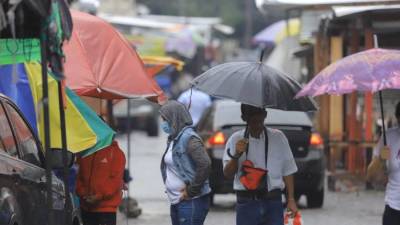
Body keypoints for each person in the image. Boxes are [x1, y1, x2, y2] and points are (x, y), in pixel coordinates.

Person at [223, 104, 298, 225]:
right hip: (246, 203)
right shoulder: (235, 139)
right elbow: (227, 174)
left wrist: (291, 200)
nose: (257, 125)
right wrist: (236, 155)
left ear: (265, 115)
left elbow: (288, 170)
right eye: (253, 121)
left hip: (273, 202)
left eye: (260, 120)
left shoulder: (278, 137)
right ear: (244, 118)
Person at [159, 100, 211, 225]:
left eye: (165, 119)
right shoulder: (173, 138)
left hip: (191, 201)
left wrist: (191, 190)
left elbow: (205, 164)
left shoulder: (189, 138)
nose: (163, 123)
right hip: (177, 201)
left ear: (174, 118)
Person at [76, 140, 126, 225]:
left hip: (106, 208)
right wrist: (83, 194)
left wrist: (99, 196)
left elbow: (115, 182)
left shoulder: (116, 153)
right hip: (86, 207)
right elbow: (79, 176)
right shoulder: (86, 152)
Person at [367, 101, 400, 225]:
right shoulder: (389, 137)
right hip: (393, 208)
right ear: (398, 117)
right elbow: (370, 176)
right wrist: (381, 158)